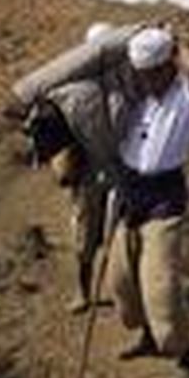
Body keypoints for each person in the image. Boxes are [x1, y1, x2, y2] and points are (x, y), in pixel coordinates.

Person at [104, 25, 189, 378]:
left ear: (165, 67)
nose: (143, 79)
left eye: (150, 72)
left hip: (164, 196)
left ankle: (185, 361)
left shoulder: (185, 95)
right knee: (122, 277)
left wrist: (174, 41)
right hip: (130, 191)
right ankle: (147, 336)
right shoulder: (139, 98)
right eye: (140, 73)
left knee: (160, 283)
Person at [65, 23, 115, 314]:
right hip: (87, 172)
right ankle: (82, 292)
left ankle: (117, 290)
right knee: (85, 235)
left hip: (119, 171)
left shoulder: (125, 83)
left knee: (117, 235)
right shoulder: (77, 88)